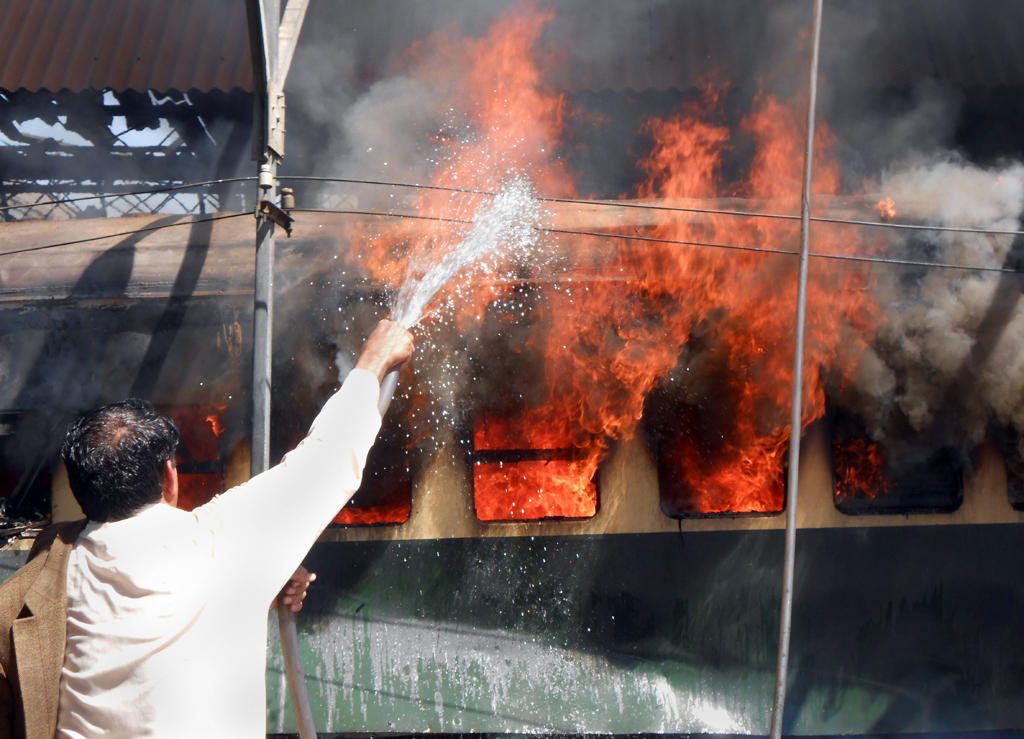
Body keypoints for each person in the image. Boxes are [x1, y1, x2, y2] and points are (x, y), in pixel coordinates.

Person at [0, 319, 414, 739]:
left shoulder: (51, 579)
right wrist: (373, 361)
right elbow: (324, 461)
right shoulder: (222, 542)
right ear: (170, 476)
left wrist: (252, 585)